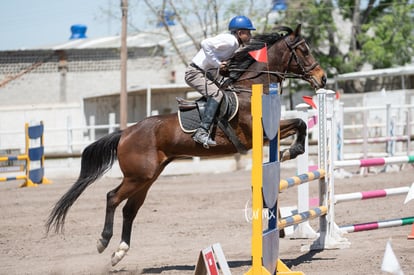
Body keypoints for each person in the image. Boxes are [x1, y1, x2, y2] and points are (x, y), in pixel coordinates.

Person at [185, 15, 256, 148]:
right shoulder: (231, 41)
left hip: (204, 73)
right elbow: (205, 43)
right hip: (195, 73)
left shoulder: (234, 45)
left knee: (226, 91)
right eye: (248, 32)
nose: (250, 35)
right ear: (240, 33)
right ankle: (202, 131)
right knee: (216, 94)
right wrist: (217, 64)